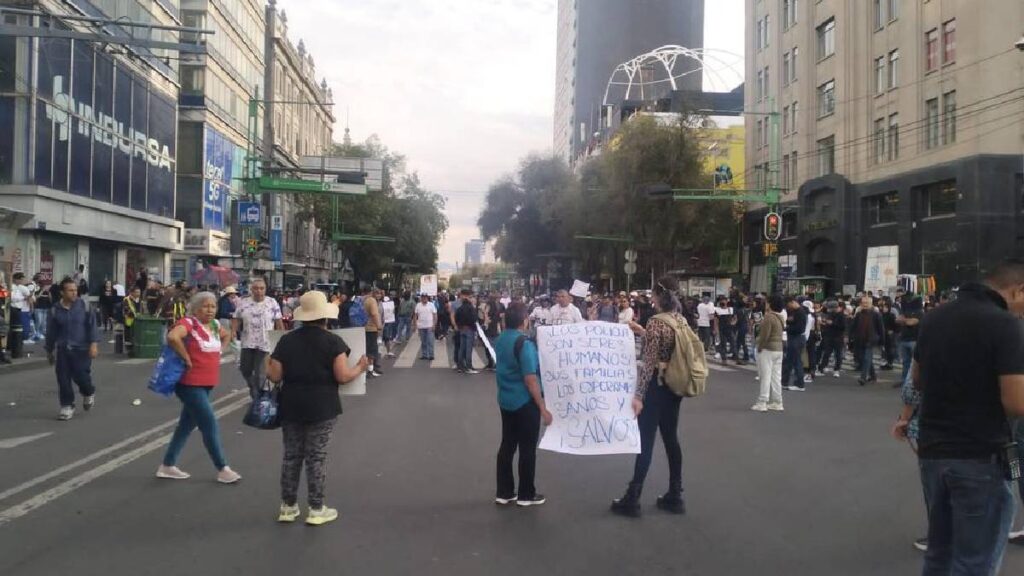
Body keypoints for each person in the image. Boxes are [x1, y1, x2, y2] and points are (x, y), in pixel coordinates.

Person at [895, 259, 1024, 574]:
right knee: (975, 562)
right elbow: (1016, 402)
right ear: (1019, 290)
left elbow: (917, 380)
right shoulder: (1005, 325)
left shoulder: (934, 318)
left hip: (933, 453)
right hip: (981, 455)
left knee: (940, 554)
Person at [267, 290, 368, 525]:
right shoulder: (333, 341)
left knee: (292, 456)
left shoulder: (286, 340)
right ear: (325, 317)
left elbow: (275, 375)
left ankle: (288, 506)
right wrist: (361, 367)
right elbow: (342, 376)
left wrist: (266, 361)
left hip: (291, 404)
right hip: (323, 405)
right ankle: (316, 508)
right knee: (316, 457)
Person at [611, 276, 687, 518]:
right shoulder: (679, 320)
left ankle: (633, 498)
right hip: (674, 387)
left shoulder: (657, 322)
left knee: (644, 441)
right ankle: (675, 494)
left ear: (658, 295)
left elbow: (649, 362)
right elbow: (665, 348)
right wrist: (642, 332)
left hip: (655, 386)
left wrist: (639, 395)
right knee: (671, 439)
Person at [156, 291, 241, 485]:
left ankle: (167, 465)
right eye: (205, 306)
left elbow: (227, 335)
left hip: (206, 383)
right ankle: (222, 468)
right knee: (209, 423)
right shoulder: (189, 323)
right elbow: (173, 337)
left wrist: (220, 349)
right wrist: (186, 357)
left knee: (186, 425)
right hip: (189, 383)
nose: (210, 310)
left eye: (213, 306)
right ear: (195, 308)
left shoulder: (214, 325)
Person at [493, 302, 552, 507]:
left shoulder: (500, 340)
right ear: (524, 320)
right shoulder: (524, 343)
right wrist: (542, 407)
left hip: (505, 400)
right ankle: (526, 494)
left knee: (507, 445)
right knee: (527, 449)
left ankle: (504, 492)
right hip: (525, 403)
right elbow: (530, 379)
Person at [45, 278, 99, 421]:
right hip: (63, 349)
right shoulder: (55, 310)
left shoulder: (85, 307)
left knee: (81, 377)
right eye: (70, 290)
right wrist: (49, 350)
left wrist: (93, 344)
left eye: (75, 290)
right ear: (62, 292)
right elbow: (51, 332)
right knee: (63, 379)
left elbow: (92, 326)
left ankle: (88, 392)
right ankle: (67, 406)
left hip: (81, 349)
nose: (74, 293)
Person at [232, 277, 284, 400]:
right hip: (247, 342)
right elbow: (236, 318)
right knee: (245, 370)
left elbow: (278, 321)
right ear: (251, 289)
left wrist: (280, 337)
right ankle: (254, 389)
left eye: (261, 288)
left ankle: (258, 398)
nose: (259, 291)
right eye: (255, 288)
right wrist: (233, 330)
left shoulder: (272, 302)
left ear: (265, 289)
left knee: (260, 374)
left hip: (265, 343)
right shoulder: (243, 302)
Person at [752, 294, 785, 412]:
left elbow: (764, 335)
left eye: (767, 302)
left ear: (770, 304)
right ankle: (777, 401)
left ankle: (762, 402)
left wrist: (759, 347)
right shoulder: (780, 317)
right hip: (778, 349)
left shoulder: (768, 317)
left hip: (767, 349)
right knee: (776, 376)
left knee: (765, 376)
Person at [851, 296, 884, 386]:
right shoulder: (858, 314)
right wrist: (850, 337)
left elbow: (881, 328)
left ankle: (863, 377)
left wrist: (882, 341)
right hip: (860, 339)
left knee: (866, 358)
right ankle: (873, 376)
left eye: (867, 303)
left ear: (871, 304)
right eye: (863, 303)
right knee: (864, 359)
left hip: (871, 339)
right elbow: (853, 326)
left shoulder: (876, 314)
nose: (865, 305)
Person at [780, 297, 808, 392]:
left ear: (793, 302)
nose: (788, 307)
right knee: (789, 361)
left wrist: (787, 328)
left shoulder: (801, 312)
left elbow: (799, 328)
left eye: (789, 305)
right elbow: (789, 321)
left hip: (797, 338)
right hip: (793, 338)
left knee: (796, 361)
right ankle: (784, 382)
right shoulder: (794, 311)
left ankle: (800, 384)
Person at [895, 295, 923, 388]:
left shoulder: (920, 312)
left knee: (915, 363)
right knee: (905, 362)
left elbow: (911, 322)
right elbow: (897, 320)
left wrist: (905, 320)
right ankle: (904, 381)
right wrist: (906, 320)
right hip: (904, 339)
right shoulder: (907, 311)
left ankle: (914, 381)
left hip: (914, 340)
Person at [816, 300, 846, 378]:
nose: (828, 310)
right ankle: (821, 368)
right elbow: (828, 324)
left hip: (838, 337)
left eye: (829, 308)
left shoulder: (841, 315)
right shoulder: (831, 314)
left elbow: (843, 327)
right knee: (826, 353)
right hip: (829, 336)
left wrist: (832, 323)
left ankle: (836, 370)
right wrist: (824, 322)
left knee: (838, 355)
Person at [454, 289, 479, 374]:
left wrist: (460, 326)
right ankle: (469, 367)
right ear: (468, 298)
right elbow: (474, 318)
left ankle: (460, 366)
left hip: (462, 329)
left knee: (462, 348)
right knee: (468, 349)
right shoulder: (471, 308)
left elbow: (456, 318)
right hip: (469, 329)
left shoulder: (460, 308)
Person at [362, 287, 384, 377]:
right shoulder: (371, 301)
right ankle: (370, 371)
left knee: (367, 349)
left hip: (363, 328)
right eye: (377, 293)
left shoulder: (362, 299)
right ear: (372, 293)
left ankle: (369, 369)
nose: (379, 295)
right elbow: (374, 314)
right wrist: (379, 326)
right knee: (371, 351)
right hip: (371, 328)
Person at [414, 294, 437, 360]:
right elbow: (415, 315)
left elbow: (435, 315)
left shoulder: (431, 305)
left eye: (425, 297)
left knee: (430, 341)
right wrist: (415, 325)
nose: (424, 298)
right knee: (423, 341)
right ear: (421, 298)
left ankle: (431, 355)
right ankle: (424, 354)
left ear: (427, 298)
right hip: (421, 326)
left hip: (430, 326)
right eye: (423, 297)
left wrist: (434, 325)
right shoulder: (418, 305)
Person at [32, 275, 52, 343]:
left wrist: (49, 293)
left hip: (45, 308)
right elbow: (36, 297)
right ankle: (37, 333)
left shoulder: (47, 292)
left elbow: (50, 300)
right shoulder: (37, 290)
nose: (44, 287)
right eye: (43, 285)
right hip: (38, 308)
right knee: (39, 321)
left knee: (44, 323)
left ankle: (42, 333)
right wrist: (42, 291)